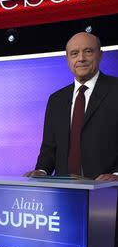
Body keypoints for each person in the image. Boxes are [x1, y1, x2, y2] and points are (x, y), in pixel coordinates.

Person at [24, 32, 118, 181]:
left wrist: (116, 175)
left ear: (100, 55)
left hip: (107, 193)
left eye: (88, 51)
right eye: (74, 54)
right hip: (65, 193)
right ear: (67, 59)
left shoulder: (115, 90)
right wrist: (42, 171)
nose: (81, 58)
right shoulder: (56, 100)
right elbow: (49, 147)